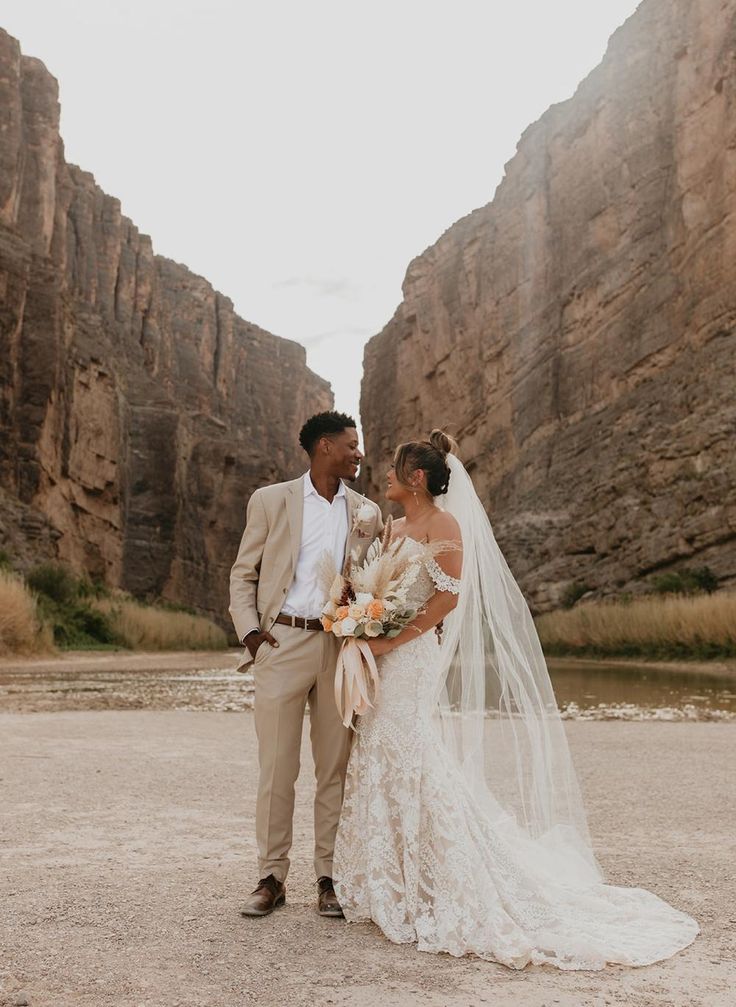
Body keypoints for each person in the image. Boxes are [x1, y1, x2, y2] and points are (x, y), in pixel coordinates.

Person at [334, 429, 699, 969]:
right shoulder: (394, 526)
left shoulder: (444, 525)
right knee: (378, 750)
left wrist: (392, 637)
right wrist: (359, 611)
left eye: (394, 469)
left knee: (408, 749)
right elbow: (379, 587)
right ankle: (393, 877)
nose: (385, 476)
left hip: (410, 657)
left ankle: (439, 878)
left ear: (416, 479)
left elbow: (445, 602)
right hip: (380, 652)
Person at [229, 411, 382, 917]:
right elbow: (243, 572)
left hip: (340, 650)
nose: (358, 453)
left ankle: (328, 878)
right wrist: (251, 634)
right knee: (277, 768)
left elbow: (373, 581)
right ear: (323, 447)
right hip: (282, 642)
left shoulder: (367, 512)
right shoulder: (272, 500)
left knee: (334, 768)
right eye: (351, 445)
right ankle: (271, 877)